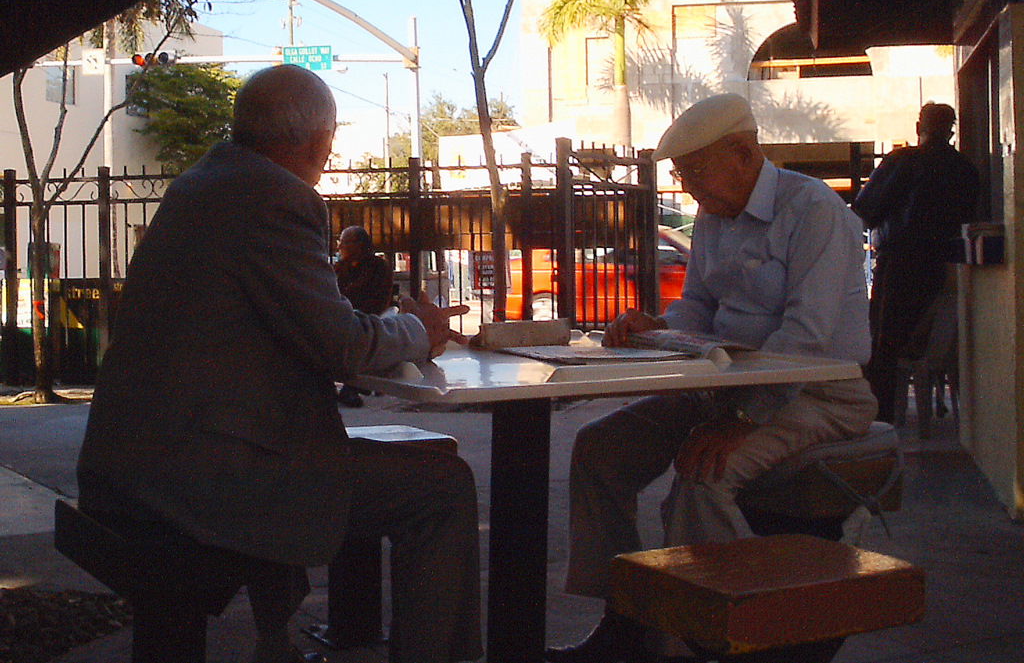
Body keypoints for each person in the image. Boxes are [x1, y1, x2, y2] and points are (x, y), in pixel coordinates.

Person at [76, 65, 482, 663]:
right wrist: (421, 329)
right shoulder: (277, 197)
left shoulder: (203, 183)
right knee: (443, 487)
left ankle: (303, 638)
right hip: (195, 477)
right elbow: (341, 346)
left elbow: (296, 321)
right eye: (333, 132)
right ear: (311, 138)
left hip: (133, 461)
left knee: (362, 452)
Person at [546, 94, 877, 663]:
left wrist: (744, 422)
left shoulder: (812, 209)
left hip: (819, 391)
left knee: (704, 475)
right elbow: (697, 308)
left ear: (743, 153)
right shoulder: (714, 218)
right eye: (682, 174)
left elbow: (806, 338)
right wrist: (657, 327)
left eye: (695, 171)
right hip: (728, 386)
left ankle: (737, 635)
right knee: (600, 449)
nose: (689, 186)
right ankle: (627, 626)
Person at [852, 102, 979, 424]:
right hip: (946, 272)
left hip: (899, 267)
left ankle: (878, 420)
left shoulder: (904, 162)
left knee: (882, 346)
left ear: (919, 125)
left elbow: (865, 211)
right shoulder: (966, 169)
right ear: (952, 129)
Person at [334, 225, 395, 407]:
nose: (340, 247)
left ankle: (352, 386)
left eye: (344, 242)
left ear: (358, 245)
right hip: (345, 315)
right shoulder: (340, 268)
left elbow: (380, 299)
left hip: (371, 316)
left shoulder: (377, 267)